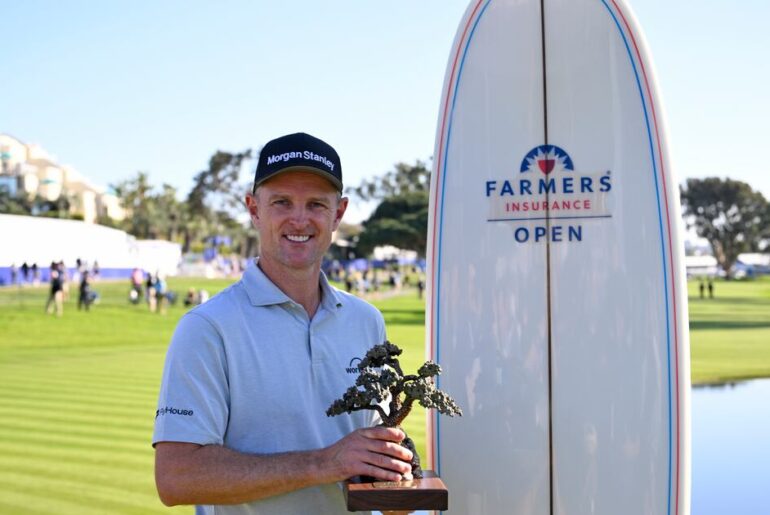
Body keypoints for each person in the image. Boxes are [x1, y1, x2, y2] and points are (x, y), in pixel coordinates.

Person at [153, 133, 413, 514]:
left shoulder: (366, 320)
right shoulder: (208, 328)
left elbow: (374, 446)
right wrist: (325, 463)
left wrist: (396, 483)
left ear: (338, 214)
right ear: (254, 209)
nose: (299, 219)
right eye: (281, 202)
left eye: (316, 204)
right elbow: (176, 476)